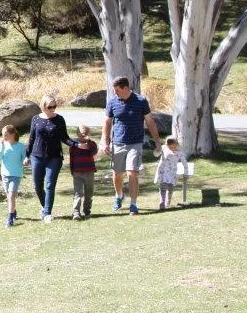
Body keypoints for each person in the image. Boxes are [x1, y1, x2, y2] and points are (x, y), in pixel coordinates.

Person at [103, 75, 161, 216]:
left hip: (135, 142)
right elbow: (107, 122)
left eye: (117, 90)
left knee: (132, 173)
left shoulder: (140, 101)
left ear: (125, 88)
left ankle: (133, 204)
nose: (115, 93)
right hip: (118, 143)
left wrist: (157, 141)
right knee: (117, 174)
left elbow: (150, 121)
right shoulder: (112, 102)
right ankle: (119, 195)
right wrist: (105, 141)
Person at [26, 95, 70, 223]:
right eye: (50, 107)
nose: (52, 109)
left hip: (54, 157)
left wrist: (77, 144)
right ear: (43, 106)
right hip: (37, 156)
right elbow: (31, 139)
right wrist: (26, 155)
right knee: (37, 186)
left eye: (54, 106)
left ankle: (47, 213)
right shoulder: (35, 119)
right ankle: (44, 207)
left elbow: (65, 138)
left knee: (50, 185)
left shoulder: (59, 119)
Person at [0, 124, 26, 228]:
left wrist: (26, 160)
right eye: (3, 135)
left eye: (6, 135)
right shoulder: (4, 145)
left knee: (11, 196)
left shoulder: (20, 146)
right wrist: (1, 146)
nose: (4, 137)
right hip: (5, 174)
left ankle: (10, 218)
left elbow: (24, 158)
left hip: (16, 175)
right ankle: (13, 211)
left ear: (13, 134)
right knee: (9, 197)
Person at [68, 124, 99, 220]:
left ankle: (87, 211)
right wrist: (72, 170)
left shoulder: (91, 144)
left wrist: (88, 142)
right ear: (77, 134)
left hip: (89, 171)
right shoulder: (74, 144)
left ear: (89, 134)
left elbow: (94, 152)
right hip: (77, 172)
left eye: (85, 134)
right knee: (78, 193)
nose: (83, 136)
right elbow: (71, 158)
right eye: (81, 134)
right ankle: (76, 212)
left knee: (89, 193)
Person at [156, 137, 187, 210]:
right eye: (170, 146)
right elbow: (156, 154)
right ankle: (162, 203)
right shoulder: (163, 148)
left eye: (173, 146)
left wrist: (186, 172)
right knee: (162, 187)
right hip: (163, 171)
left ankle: (167, 203)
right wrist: (157, 150)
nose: (172, 148)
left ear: (176, 144)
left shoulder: (179, 152)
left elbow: (184, 162)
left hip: (172, 172)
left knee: (170, 188)